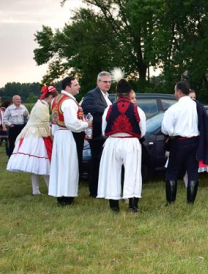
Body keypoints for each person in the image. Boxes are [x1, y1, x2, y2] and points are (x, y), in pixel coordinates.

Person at [161, 81, 208, 205]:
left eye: (175, 91)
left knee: (172, 171)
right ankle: (190, 202)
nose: (174, 94)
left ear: (179, 92)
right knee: (192, 171)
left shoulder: (174, 108)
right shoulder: (197, 106)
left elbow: (165, 128)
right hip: (195, 142)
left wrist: (171, 133)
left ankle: (171, 202)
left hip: (179, 142)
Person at [97, 79, 146, 213]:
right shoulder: (137, 109)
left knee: (112, 173)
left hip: (113, 142)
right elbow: (142, 131)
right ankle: (133, 206)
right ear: (130, 93)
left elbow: (103, 130)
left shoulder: (109, 109)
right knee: (133, 173)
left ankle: (114, 206)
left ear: (116, 93)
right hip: (131, 142)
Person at [7, 86, 57, 195]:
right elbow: (43, 124)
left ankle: (36, 190)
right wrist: (52, 134)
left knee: (36, 164)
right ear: (50, 97)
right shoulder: (42, 106)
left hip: (32, 134)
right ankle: (50, 189)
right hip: (37, 136)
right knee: (44, 163)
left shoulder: (39, 103)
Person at [49, 76, 90, 206]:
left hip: (60, 135)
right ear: (68, 87)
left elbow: (54, 121)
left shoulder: (56, 100)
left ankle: (61, 195)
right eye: (76, 85)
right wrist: (86, 124)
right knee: (70, 166)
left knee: (61, 166)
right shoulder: (68, 102)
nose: (79, 87)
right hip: (69, 135)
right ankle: (67, 197)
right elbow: (72, 123)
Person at [80, 71, 113, 198]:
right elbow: (85, 106)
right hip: (97, 135)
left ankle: (101, 188)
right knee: (96, 162)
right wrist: (105, 110)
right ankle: (94, 191)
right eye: (105, 81)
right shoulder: (92, 94)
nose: (107, 84)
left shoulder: (106, 96)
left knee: (102, 163)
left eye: (109, 82)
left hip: (105, 134)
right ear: (98, 82)